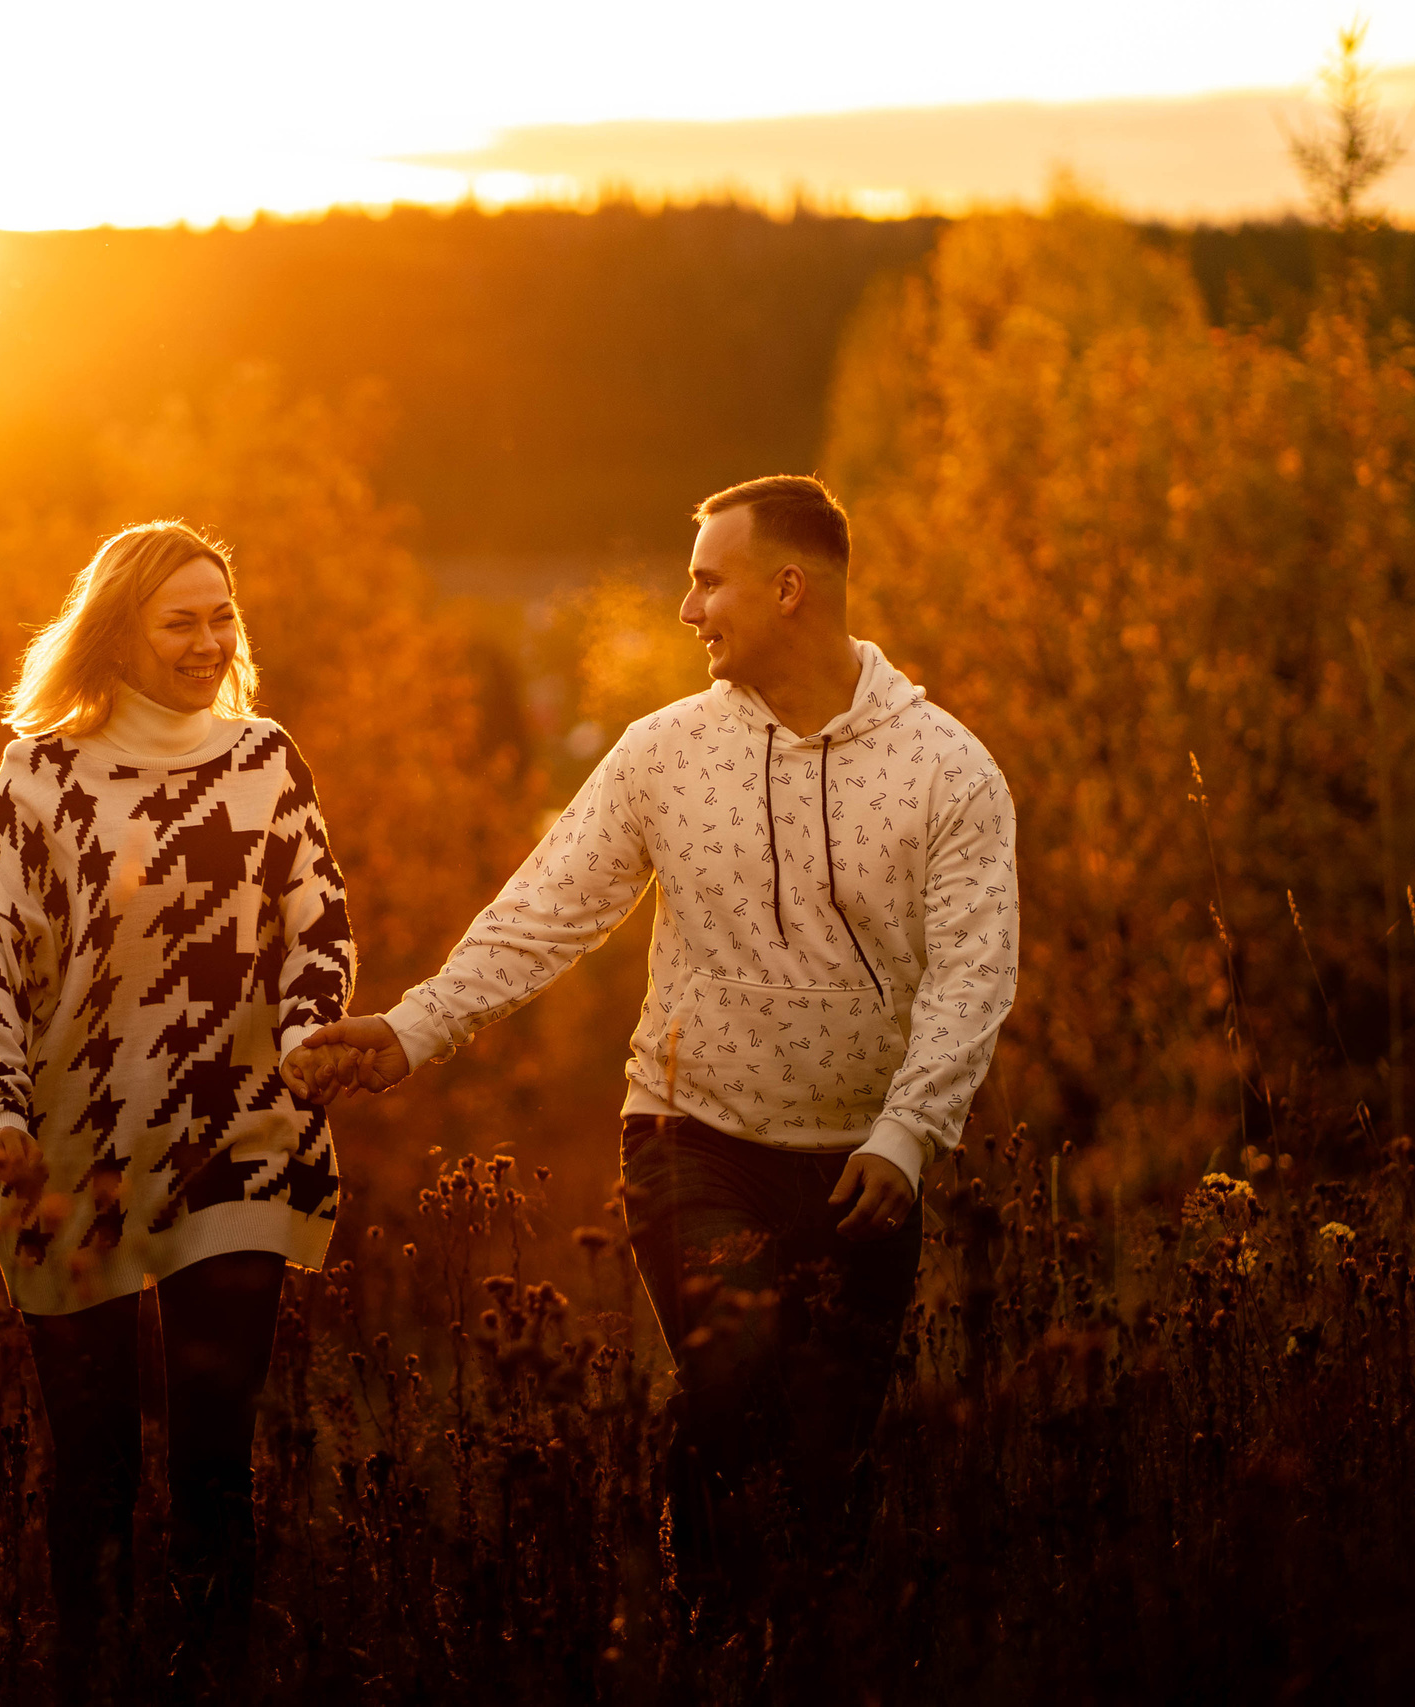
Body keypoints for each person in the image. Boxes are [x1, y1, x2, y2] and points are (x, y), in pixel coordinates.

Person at [301, 475, 1016, 1603]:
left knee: (831, 1456)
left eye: (707, 580)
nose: (688, 610)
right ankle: (705, 1622)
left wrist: (910, 1133)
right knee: (734, 1386)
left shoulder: (947, 771)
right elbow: (545, 911)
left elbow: (975, 971)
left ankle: (816, 1649)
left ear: (789, 589)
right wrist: (412, 1028)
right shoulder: (662, 754)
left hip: (864, 1168)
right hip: (693, 1137)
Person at [0, 519, 358, 1685]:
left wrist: (303, 1039)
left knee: (213, 1459)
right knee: (90, 1468)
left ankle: (210, 1671)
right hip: (71, 1149)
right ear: (121, 628)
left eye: (220, 618)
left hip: (240, 1139)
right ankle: (92, 1667)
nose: (205, 641)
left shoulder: (263, 759)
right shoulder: (38, 773)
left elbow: (316, 924)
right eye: (180, 621)